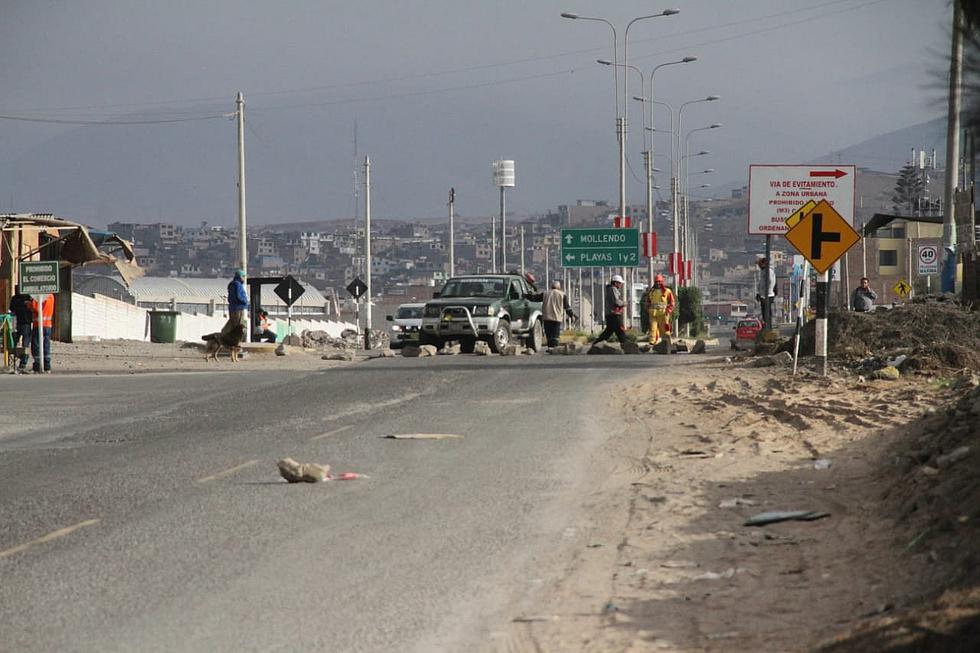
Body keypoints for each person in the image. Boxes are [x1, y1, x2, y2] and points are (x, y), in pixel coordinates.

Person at [593, 274, 628, 345]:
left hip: (611, 314)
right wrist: (624, 303)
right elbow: (616, 301)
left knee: (609, 331)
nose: (621, 285)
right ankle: (626, 345)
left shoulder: (610, 289)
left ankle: (596, 344)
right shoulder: (613, 289)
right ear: (615, 283)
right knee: (620, 330)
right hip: (614, 314)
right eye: (620, 283)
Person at [541, 281, 576, 348]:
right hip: (556, 318)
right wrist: (571, 315)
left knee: (548, 334)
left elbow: (535, 298)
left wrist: (526, 296)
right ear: (559, 287)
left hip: (546, 318)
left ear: (551, 286)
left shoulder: (545, 293)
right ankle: (554, 348)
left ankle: (550, 347)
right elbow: (567, 307)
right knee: (555, 334)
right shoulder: (562, 294)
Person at [644, 274, 675, 346]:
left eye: (659, 281)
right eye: (656, 281)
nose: (658, 283)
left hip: (663, 313)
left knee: (664, 329)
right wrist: (647, 309)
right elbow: (648, 302)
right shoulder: (651, 292)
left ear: (662, 282)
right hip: (653, 313)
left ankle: (667, 342)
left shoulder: (667, 291)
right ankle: (652, 342)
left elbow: (672, 302)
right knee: (653, 328)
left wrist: (669, 310)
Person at [8, 285, 33, 373]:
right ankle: (20, 363)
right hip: (22, 323)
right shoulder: (28, 297)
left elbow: (11, 309)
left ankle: (17, 363)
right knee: (22, 344)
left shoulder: (21, 298)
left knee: (18, 344)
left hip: (21, 323)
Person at [28, 292, 54, 373]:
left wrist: (29, 304)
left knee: (36, 346)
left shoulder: (39, 296)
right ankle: (47, 365)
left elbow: (36, 308)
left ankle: (37, 365)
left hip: (38, 324)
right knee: (46, 345)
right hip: (48, 325)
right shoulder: (51, 295)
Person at [222, 269, 249, 337]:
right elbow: (238, 296)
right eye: (243, 276)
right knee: (238, 326)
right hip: (238, 308)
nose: (244, 278)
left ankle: (224, 335)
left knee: (232, 323)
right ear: (240, 276)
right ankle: (228, 337)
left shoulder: (232, 284)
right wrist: (245, 302)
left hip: (233, 308)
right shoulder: (237, 284)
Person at [755, 257, 776, 330]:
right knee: (764, 312)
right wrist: (759, 294)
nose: (759, 266)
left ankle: (768, 327)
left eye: (760, 264)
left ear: (764, 264)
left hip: (768, 295)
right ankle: (766, 326)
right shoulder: (763, 271)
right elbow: (761, 284)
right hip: (763, 295)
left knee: (767, 312)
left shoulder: (769, 271)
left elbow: (771, 282)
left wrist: (767, 292)